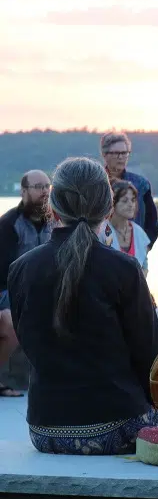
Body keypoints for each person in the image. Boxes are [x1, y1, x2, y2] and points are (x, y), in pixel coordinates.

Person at [7, 157, 158, 455]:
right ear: (108, 208)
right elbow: (151, 356)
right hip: (118, 427)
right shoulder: (124, 268)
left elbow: (28, 342)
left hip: (45, 430)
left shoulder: (21, 268)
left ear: (52, 209)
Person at [0, 170, 55, 397]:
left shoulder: (56, 223)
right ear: (24, 191)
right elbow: (4, 273)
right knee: (10, 324)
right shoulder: (8, 224)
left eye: (47, 186)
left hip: (47, 291)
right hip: (9, 291)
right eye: (38, 187)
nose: (44, 192)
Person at [100, 131, 158, 248]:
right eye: (116, 153)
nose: (121, 157)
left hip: (134, 252)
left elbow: (152, 223)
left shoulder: (140, 184)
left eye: (124, 153)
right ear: (104, 154)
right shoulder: (96, 183)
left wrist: (145, 248)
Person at [107, 180, 152, 276]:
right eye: (124, 201)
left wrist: (138, 285)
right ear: (112, 203)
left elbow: (144, 266)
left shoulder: (139, 233)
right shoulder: (102, 232)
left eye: (133, 200)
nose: (131, 204)